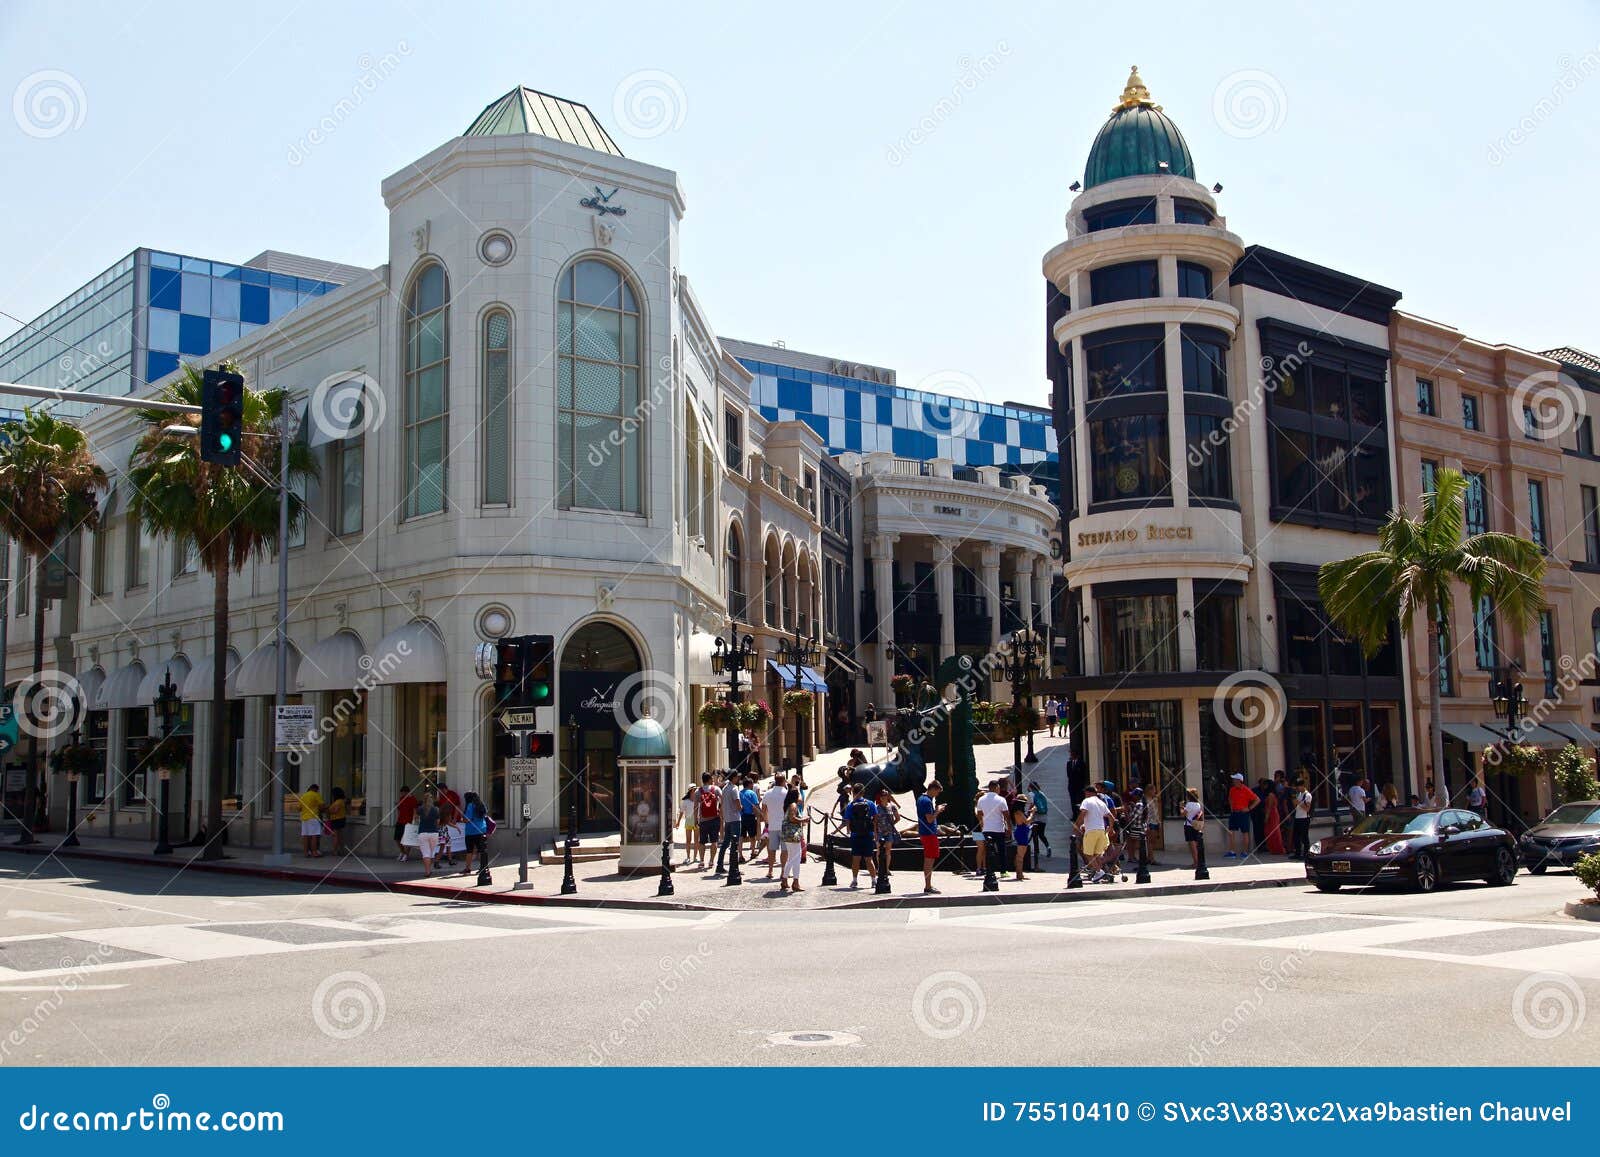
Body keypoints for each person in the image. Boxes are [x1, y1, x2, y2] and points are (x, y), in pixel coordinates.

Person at [1076, 783, 1115, 882]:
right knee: (1097, 854)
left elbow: (1083, 813)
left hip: (1091, 830)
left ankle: (1099, 871)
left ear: (1088, 793)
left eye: (1085, 794)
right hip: (1101, 830)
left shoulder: (1087, 801)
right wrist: (1110, 829)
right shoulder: (1101, 803)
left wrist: (1076, 825)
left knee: (1088, 853)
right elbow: (1111, 817)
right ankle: (1098, 875)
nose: (1085, 796)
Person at [976, 780, 1011, 878]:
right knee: (1001, 851)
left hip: (986, 829)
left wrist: (982, 825)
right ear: (996, 787)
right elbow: (1006, 816)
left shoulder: (981, 799)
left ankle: (989, 870)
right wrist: (1009, 828)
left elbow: (979, 815)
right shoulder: (1001, 800)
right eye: (998, 788)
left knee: (988, 851)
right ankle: (1003, 871)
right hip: (999, 829)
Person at [845, 783, 877, 888]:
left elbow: (847, 821)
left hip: (855, 834)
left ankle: (854, 880)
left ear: (853, 792)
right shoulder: (870, 803)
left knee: (856, 858)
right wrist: (876, 832)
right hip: (868, 834)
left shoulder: (850, 805)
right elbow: (876, 819)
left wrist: (848, 831)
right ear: (863, 792)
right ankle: (873, 880)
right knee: (869, 859)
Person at [916, 781, 945, 893]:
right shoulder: (927, 801)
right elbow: (929, 819)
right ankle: (928, 886)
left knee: (929, 858)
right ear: (933, 789)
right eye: (937, 792)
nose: (937, 795)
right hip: (928, 834)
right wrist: (938, 811)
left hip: (925, 832)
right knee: (929, 859)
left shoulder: (921, 799)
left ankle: (928, 885)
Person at [761, 772, 789, 879]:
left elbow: (763, 810)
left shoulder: (768, 794)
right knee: (784, 850)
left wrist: (767, 821)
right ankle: (783, 871)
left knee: (772, 849)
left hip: (772, 825)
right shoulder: (786, 793)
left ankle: (770, 871)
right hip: (784, 825)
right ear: (784, 781)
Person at [715, 772, 743, 875]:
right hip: (735, 818)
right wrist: (741, 808)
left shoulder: (725, 788)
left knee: (725, 843)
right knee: (735, 843)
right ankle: (734, 867)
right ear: (734, 777)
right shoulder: (734, 789)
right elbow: (738, 804)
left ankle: (719, 865)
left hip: (727, 819)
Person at [780, 782, 805, 893]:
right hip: (793, 835)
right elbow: (792, 818)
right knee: (795, 859)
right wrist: (804, 820)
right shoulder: (793, 805)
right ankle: (794, 881)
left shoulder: (787, 805)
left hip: (787, 835)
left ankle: (787, 880)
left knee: (792, 858)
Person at [1226, 773, 1257, 859]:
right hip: (1234, 813)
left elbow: (1257, 800)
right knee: (1231, 831)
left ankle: (1245, 852)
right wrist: (1231, 807)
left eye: (1235, 780)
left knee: (1245, 832)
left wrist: (1249, 808)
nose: (1233, 781)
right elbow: (1230, 798)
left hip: (1243, 813)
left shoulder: (1246, 790)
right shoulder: (1232, 789)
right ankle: (1232, 851)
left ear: (1239, 781)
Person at [873, 787, 899, 883]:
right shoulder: (877, 808)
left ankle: (887, 869)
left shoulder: (892, 806)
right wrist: (875, 833)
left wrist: (892, 824)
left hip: (889, 832)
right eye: (882, 796)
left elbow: (897, 818)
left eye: (886, 795)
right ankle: (880, 868)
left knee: (888, 851)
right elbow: (874, 822)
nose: (884, 797)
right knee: (879, 850)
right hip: (880, 832)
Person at [696, 772, 721, 871]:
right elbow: (723, 800)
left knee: (702, 842)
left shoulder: (698, 791)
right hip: (715, 818)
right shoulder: (716, 789)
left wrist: (695, 819)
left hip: (703, 820)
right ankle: (711, 861)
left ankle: (702, 861)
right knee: (714, 841)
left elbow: (695, 806)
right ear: (710, 779)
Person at [461, 790, 489, 876]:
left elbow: (466, 819)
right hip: (481, 830)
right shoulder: (481, 805)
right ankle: (482, 867)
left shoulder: (470, 805)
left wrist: (462, 818)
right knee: (481, 850)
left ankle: (468, 868)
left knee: (469, 850)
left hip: (471, 831)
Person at [414, 790, 441, 877]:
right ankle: (430, 869)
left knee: (426, 853)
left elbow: (416, 819)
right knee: (432, 853)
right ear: (432, 800)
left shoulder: (420, 809)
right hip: (434, 833)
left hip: (423, 832)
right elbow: (438, 822)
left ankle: (427, 871)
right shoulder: (436, 809)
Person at [1027, 781, 1052, 868]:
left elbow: (1032, 805)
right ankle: (1048, 847)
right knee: (1041, 834)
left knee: (1035, 835)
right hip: (1044, 817)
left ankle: (1036, 852)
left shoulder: (1031, 794)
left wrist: (1028, 813)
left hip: (1036, 816)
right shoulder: (1042, 793)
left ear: (1030, 787)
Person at [298, 783, 325, 858]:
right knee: (314, 835)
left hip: (304, 818)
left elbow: (299, 808)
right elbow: (322, 806)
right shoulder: (316, 795)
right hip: (313, 817)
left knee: (305, 836)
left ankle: (306, 853)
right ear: (315, 789)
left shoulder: (303, 796)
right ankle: (314, 852)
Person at [1182, 787, 1206, 870]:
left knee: (1192, 845)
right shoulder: (1198, 804)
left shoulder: (1189, 804)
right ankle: (1198, 861)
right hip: (1196, 825)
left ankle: (1196, 862)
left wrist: (1181, 807)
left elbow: (1183, 814)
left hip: (1189, 825)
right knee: (1196, 843)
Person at [739, 775, 761, 860]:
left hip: (741, 816)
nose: (753, 786)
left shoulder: (739, 793)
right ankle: (752, 852)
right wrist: (758, 816)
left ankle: (740, 855)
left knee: (741, 836)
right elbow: (755, 806)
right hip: (750, 816)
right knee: (752, 836)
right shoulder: (752, 793)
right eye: (752, 784)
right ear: (749, 784)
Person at [1010, 797, 1032, 881]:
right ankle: (1019, 874)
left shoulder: (1018, 812)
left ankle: (1019, 873)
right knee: (1020, 855)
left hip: (1022, 832)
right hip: (1021, 833)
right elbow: (1027, 821)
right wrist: (1032, 814)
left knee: (1020, 854)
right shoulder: (1018, 812)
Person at [1291, 778, 1313, 860]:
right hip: (1297, 817)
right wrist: (1294, 802)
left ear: (1303, 786)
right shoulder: (1299, 794)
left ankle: (1306, 853)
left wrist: (1299, 803)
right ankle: (1297, 853)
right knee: (1296, 836)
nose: (1297, 788)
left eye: (1298, 786)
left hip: (1304, 818)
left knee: (1304, 837)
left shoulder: (1307, 795)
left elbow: (1307, 809)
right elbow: (1296, 807)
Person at [394, 784, 417, 861]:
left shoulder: (412, 799)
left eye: (403, 793)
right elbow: (400, 809)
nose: (402, 794)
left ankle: (406, 855)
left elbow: (414, 810)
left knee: (408, 840)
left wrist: (413, 821)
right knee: (397, 838)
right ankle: (402, 852)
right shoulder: (401, 798)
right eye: (401, 793)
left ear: (407, 792)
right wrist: (397, 805)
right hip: (400, 820)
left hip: (408, 822)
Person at [679, 784, 699, 866]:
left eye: (696, 789)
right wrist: (678, 822)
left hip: (697, 820)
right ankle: (688, 857)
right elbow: (681, 812)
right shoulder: (685, 801)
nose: (695, 791)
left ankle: (695, 857)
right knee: (688, 840)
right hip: (688, 820)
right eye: (694, 789)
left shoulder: (698, 800)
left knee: (696, 840)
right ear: (690, 790)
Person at [326, 787, 349, 856]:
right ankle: (340, 850)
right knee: (339, 835)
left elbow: (336, 810)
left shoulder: (338, 802)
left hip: (336, 819)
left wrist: (328, 810)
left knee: (335, 836)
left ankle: (335, 851)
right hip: (341, 819)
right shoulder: (342, 801)